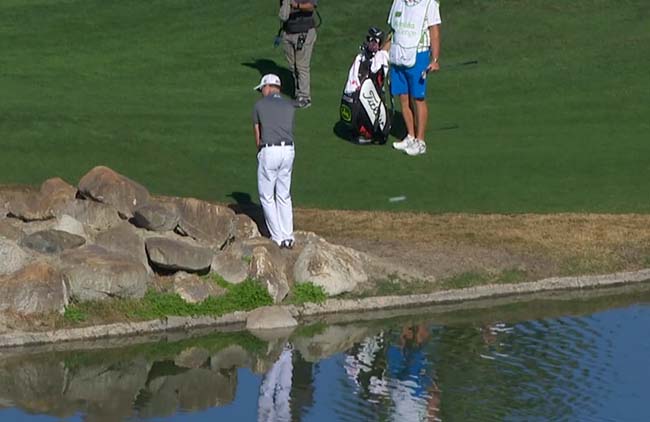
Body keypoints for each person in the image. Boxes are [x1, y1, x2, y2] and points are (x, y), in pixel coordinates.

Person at [386, 0, 441, 156]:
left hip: (419, 55)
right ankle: (410, 135)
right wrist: (383, 52)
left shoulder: (429, 4)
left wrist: (435, 60)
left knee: (418, 98)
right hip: (398, 56)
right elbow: (393, 32)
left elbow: (435, 31)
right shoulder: (398, 2)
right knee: (403, 97)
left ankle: (420, 141)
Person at [252, 74, 296, 249]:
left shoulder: (259, 106)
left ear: (268, 87)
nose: (261, 92)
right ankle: (288, 236)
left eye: (262, 89)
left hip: (269, 150)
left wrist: (260, 151)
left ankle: (277, 237)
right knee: (284, 194)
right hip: (289, 150)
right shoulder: (289, 104)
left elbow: (258, 134)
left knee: (267, 195)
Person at [342, 26, 391, 144]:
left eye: (376, 41)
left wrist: (392, 36)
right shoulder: (360, 57)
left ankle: (370, 132)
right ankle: (362, 130)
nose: (373, 44)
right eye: (370, 40)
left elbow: (384, 51)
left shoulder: (380, 57)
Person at [279, 0, 319, 109]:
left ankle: (305, 98)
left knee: (301, 66)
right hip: (288, 32)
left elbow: (311, 6)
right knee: (292, 66)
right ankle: (298, 94)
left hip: (304, 32)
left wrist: (296, 5)